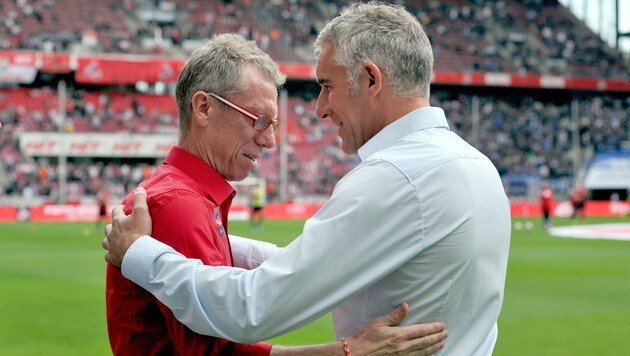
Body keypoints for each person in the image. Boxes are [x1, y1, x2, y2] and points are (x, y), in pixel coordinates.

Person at [104, 3, 510, 354]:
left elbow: (250, 309)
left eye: (327, 86)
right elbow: (323, 265)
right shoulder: (476, 167)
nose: (319, 108)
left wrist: (139, 251)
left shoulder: (395, 178)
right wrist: (212, 238)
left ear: (371, 79)